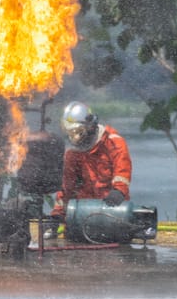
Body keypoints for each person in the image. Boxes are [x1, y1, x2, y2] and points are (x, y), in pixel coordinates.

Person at [47, 101, 133, 238]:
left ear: (89, 126)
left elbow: (122, 171)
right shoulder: (73, 154)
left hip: (112, 211)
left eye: (78, 132)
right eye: (71, 133)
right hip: (83, 215)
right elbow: (67, 189)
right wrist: (57, 215)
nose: (75, 138)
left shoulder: (113, 143)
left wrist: (119, 190)